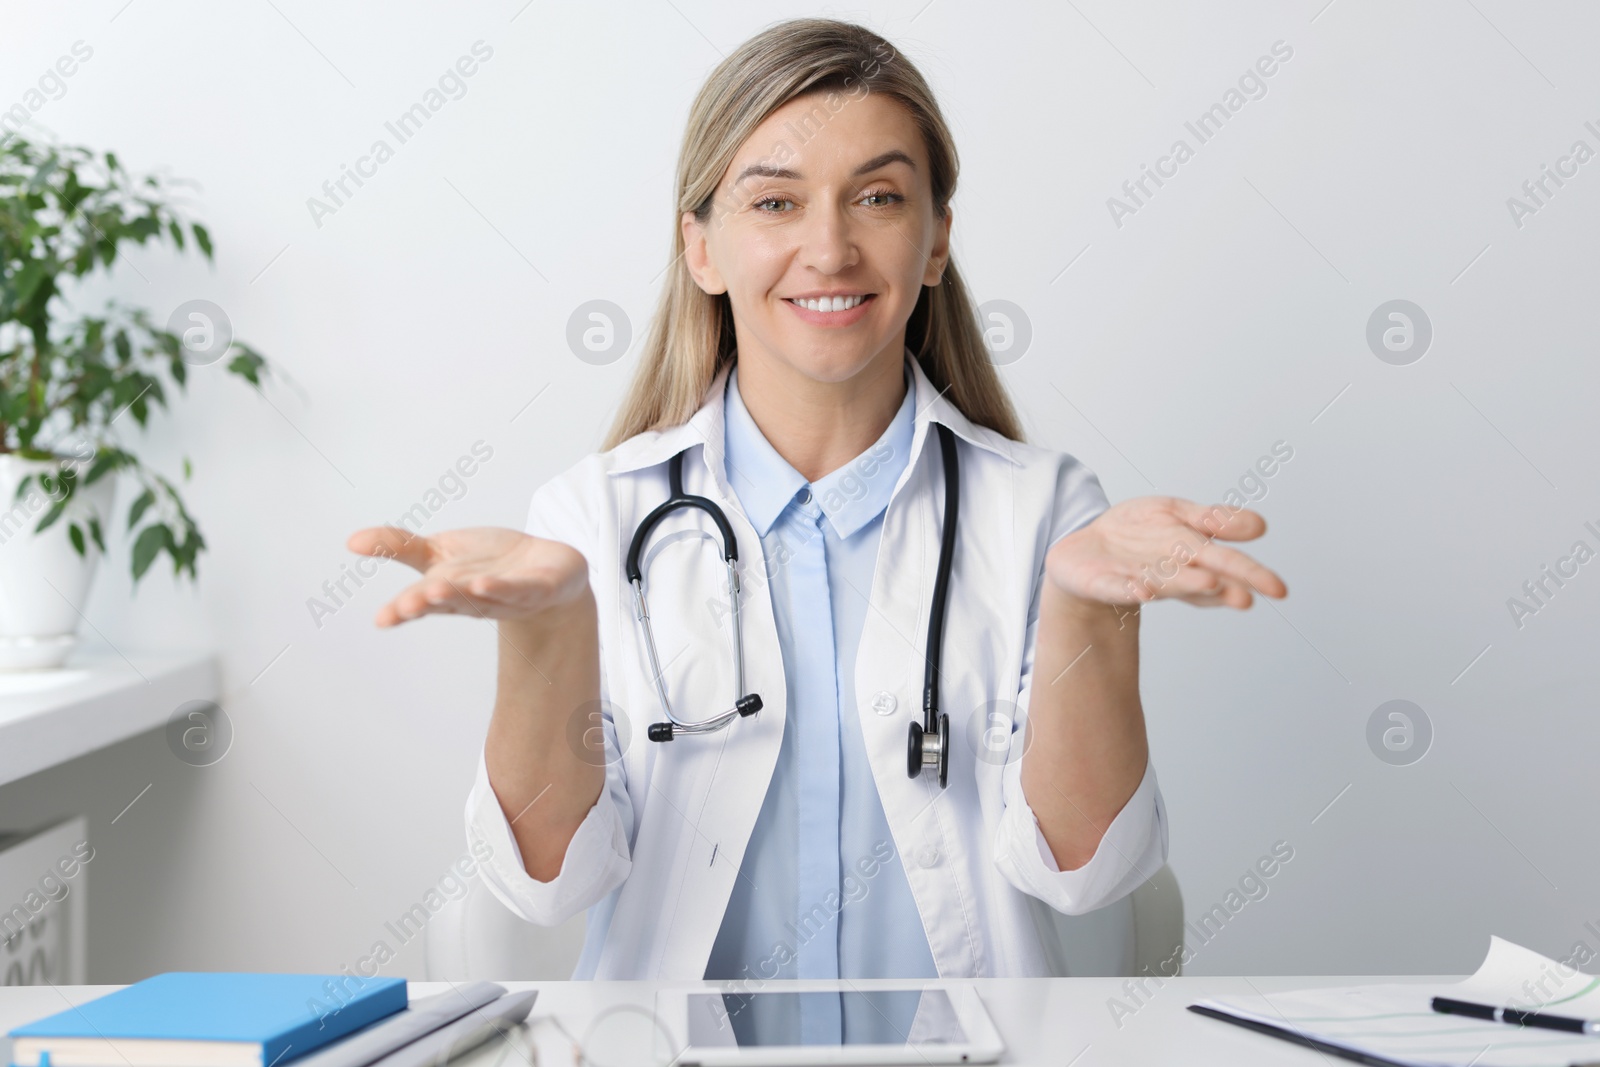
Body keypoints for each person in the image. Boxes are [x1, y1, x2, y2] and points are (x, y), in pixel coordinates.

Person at [347, 18, 1285, 998]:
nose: (828, 248)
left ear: (934, 243)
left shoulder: (1045, 514)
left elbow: (1088, 874)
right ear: (701, 246)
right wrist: (547, 632)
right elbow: (545, 884)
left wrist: (1091, 614)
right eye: (776, 202)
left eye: (877, 197)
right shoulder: (593, 518)